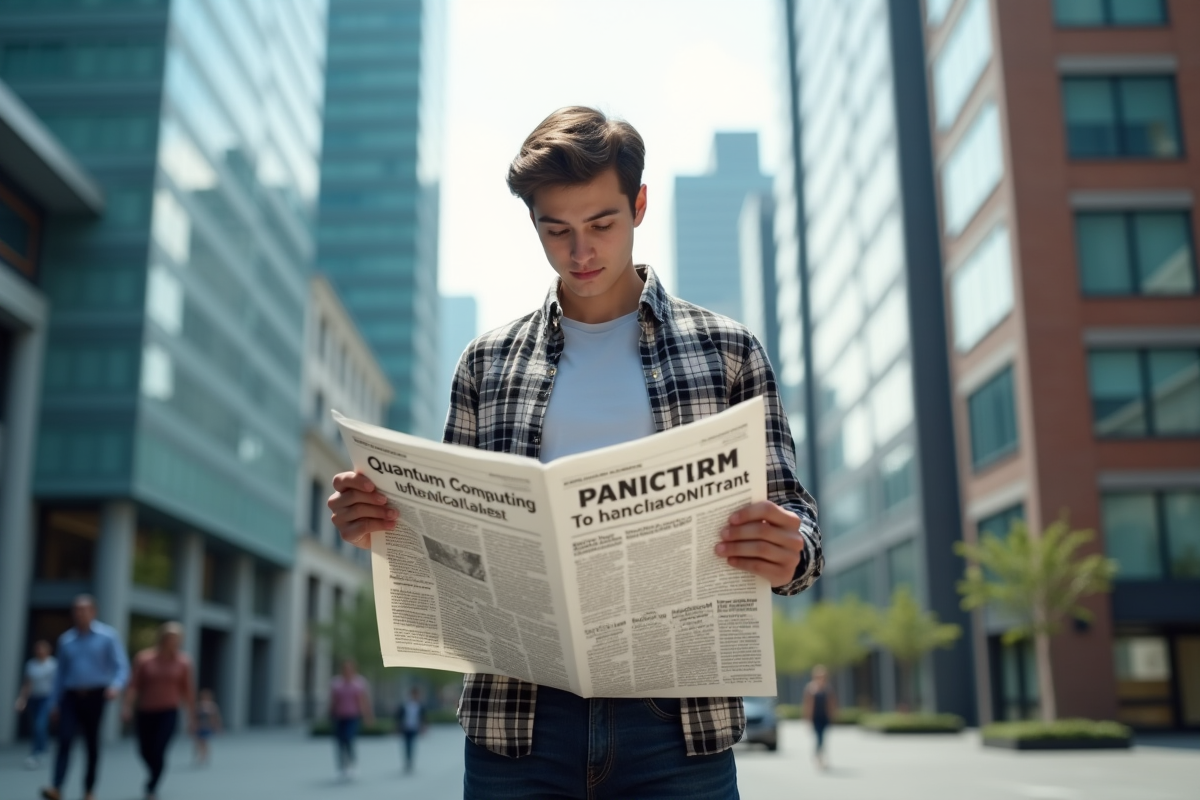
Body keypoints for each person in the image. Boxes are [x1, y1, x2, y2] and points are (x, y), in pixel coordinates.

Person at [328, 106, 823, 799]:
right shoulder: (486, 363)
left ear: (640, 205)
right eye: (555, 230)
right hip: (520, 726)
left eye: (601, 224)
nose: (580, 252)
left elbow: (795, 511)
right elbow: (448, 542)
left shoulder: (727, 350)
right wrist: (382, 527)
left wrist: (792, 546)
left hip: (674, 728)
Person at [42, 594, 130, 800]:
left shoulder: (107, 636)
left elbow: (121, 667)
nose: (79, 613)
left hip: (96, 695)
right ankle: (56, 786)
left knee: (91, 743)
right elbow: (59, 675)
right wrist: (54, 702)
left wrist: (115, 686)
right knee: (64, 739)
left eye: (84, 609)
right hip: (70, 696)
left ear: (93, 612)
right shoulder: (66, 640)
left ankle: (89, 790)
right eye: (76, 610)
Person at [122, 622, 196, 800]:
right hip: (146, 710)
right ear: (162, 638)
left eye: (176, 639)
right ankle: (153, 772)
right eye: (169, 638)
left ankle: (152, 785)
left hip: (168, 711)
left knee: (158, 749)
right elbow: (134, 685)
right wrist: (127, 706)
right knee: (144, 750)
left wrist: (191, 715)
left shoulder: (183, 662)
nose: (172, 642)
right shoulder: (145, 659)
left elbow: (187, 689)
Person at [14, 640, 57, 769]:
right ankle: (41, 746)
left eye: (42, 649)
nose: (40, 651)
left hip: (47, 698)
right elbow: (27, 683)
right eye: (38, 649)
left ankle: (36, 752)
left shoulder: (53, 665)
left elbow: (56, 684)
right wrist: (22, 699)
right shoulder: (31, 664)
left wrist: (56, 702)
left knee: (40, 724)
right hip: (34, 698)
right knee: (35, 726)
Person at [329, 659, 373, 780]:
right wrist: (330, 713)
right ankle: (341, 767)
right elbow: (333, 700)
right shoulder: (336, 683)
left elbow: (362, 700)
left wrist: (367, 716)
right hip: (339, 716)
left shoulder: (359, 683)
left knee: (349, 739)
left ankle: (352, 764)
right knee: (339, 742)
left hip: (352, 716)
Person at [803, 665, 837, 770]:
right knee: (818, 737)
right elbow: (807, 705)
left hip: (824, 716)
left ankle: (820, 754)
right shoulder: (810, 688)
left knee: (823, 737)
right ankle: (818, 755)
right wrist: (807, 718)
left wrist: (833, 714)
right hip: (815, 717)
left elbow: (831, 702)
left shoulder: (827, 688)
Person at [395, 687, 426, 774]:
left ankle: (410, 760)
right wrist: (397, 727)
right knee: (406, 744)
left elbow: (423, 717)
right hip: (405, 727)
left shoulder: (420, 706)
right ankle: (407, 760)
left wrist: (423, 727)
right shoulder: (405, 705)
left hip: (414, 727)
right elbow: (399, 716)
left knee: (412, 744)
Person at [191, 688, 222, 766]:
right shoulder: (198, 705)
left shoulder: (212, 706)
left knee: (205, 742)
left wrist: (217, 726)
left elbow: (215, 717)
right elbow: (194, 717)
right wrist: (192, 726)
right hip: (200, 727)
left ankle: (204, 756)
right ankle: (199, 755)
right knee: (199, 742)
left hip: (207, 727)